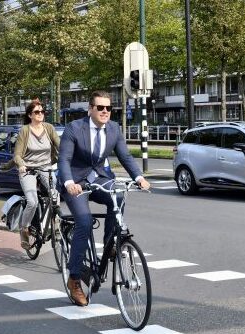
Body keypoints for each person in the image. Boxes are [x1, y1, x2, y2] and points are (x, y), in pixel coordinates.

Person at [58, 90, 150, 306]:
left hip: (99, 178)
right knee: (84, 221)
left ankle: (111, 245)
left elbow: (125, 156)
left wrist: (139, 177)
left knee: (118, 196)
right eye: (100, 108)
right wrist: (69, 183)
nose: (105, 112)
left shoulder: (114, 129)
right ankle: (74, 279)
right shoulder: (74, 128)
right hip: (76, 182)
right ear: (91, 109)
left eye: (109, 108)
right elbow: (64, 159)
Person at [12, 99, 60, 250]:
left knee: (55, 194)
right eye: (37, 112)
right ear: (30, 115)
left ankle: (56, 226)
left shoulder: (49, 128)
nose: (40, 114)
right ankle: (24, 228)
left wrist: (68, 159)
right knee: (32, 202)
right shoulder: (25, 131)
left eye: (42, 111)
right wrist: (21, 165)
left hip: (46, 167)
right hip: (28, 169)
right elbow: (17, 155)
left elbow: (61, 146)